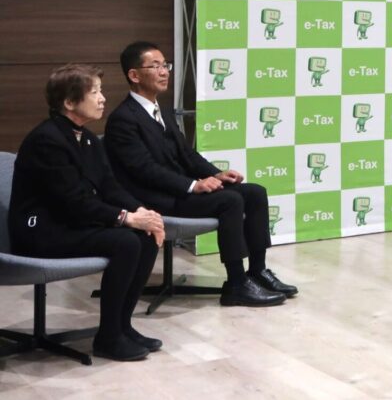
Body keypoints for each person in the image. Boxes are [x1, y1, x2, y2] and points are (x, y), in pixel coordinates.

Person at [104, 42, 296, 307]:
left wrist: (217, 174)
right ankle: (236, 284)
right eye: (155, 66)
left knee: (255, 193)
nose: (164, 72)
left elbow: (187, 155)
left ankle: (258, 271)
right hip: (154, 199)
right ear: (134, 75)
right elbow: (144, 170)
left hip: (179, 190)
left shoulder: (163, 110)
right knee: (230, 201)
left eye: (165, 65)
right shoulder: (123, 119)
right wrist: (193, 185)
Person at [9, 64, 165, 361]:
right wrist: (126, 218)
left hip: (70, 223)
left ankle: (122, 326)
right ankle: (108, 337)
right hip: (42, 231)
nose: (103, 98)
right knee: (126, 241)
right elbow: (74, 202)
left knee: (144, 237)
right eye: (94, 92)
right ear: (69, 102)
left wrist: (143, 212)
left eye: (100, 91)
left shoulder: (89, 138)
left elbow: (110, 187)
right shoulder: (47, 140)